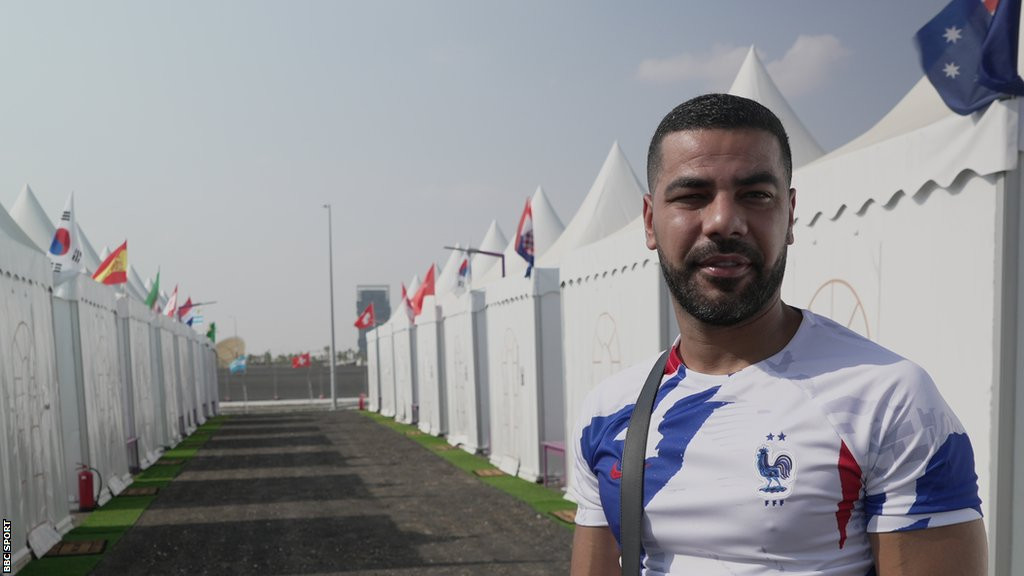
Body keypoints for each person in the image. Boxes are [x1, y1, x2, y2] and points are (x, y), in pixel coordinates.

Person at [567, 93, 987, 575]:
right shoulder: (608, 411)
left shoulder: (890, 398)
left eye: (755, 195)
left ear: (790, 214)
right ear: (649, 221)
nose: (724, 221)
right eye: (691, 196)